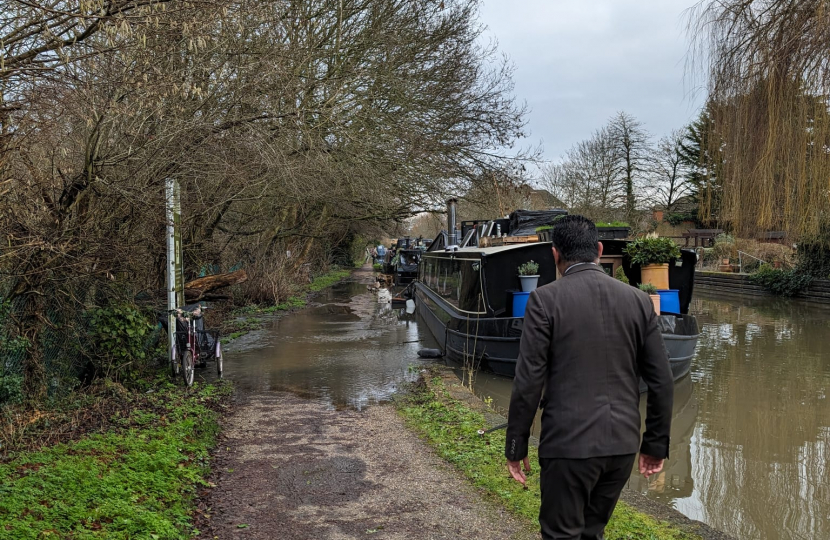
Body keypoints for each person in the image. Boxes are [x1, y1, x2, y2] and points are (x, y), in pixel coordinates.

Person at [505, 215, 673, 540]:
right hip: (622, 448)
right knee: (591, 532)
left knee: (561, 534)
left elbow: (528, 382)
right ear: (598, 249)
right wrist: (654, 445)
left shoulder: (543, 300)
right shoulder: (639, 301)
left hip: (568, 448)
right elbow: (662, 380)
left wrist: (516, 445)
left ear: (555, 254)